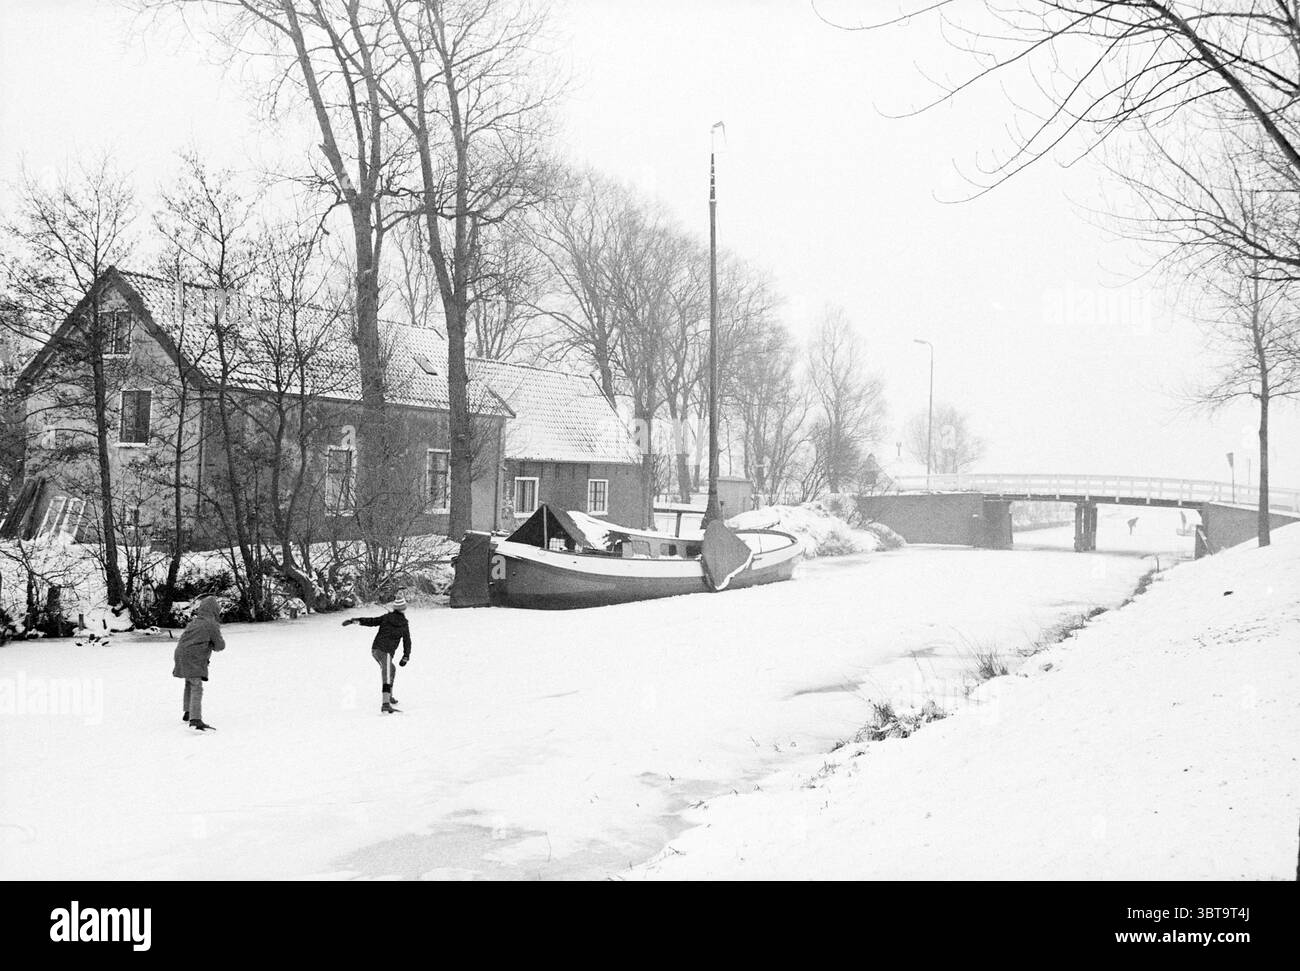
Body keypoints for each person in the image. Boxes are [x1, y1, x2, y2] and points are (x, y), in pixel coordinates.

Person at [342, 596, 412, 714]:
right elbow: (407, 641)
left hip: (376, 650)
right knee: (387, 672)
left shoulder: (386, 618)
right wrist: (406, 656)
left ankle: (389, 696)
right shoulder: (404, 624)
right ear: (404, 609)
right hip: (386, 651)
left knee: (391, 669)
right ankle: (385, 704)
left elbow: (371, 621)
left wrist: (354, 620)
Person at [172, 597, 225, 731]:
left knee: (189, 682)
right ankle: (195, 720)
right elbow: (220, 645)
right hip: (193, 657)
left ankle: (188, 712)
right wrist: (212, 644)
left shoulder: (194, 622)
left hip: (180, 654)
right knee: (196, 686)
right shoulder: (211, 624)